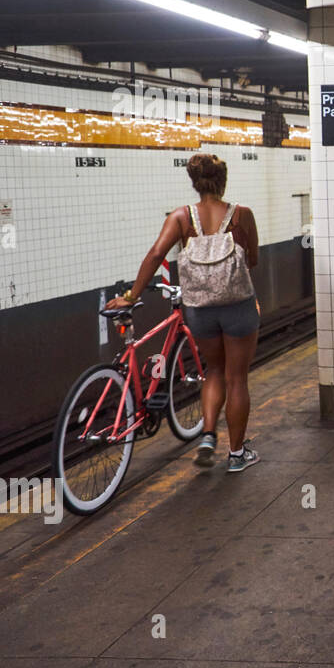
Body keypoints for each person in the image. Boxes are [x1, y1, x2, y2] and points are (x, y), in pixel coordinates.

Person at [106, 153, 261, 472]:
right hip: (238, 307)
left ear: (194, 183)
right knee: (237, 379)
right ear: (223, 181)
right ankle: (236, 454)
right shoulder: (241, 214)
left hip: (200, 310)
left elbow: (155, 254)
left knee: (214, 370)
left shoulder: (181, 217)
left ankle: (207, 435)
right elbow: (253, 259)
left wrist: (131, 295)